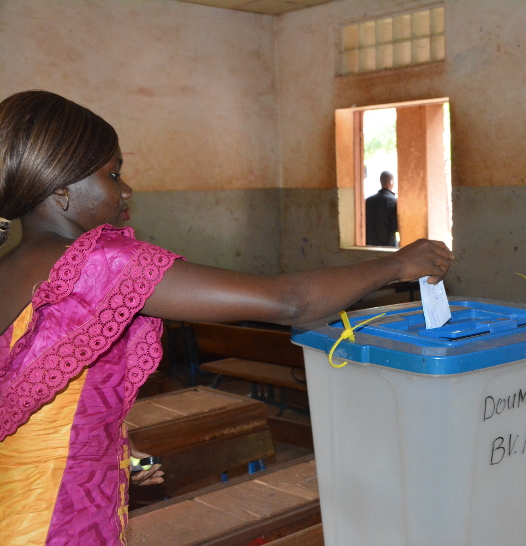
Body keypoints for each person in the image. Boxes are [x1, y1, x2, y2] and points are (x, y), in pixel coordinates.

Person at [0, 90, 453, 545]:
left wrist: (105, 445)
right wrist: (396, 264)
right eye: (113, 173)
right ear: (60, 192)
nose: (126, 190)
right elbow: (288, 302)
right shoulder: (99, 263)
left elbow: (39, 390)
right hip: (57, 518)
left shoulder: (12, 268)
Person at [365, 170, 398, 247]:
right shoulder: (393, 201)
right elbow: (396, 226)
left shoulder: (368, 201)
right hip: (388, 246)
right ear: (391, 182)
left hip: (370, 245)